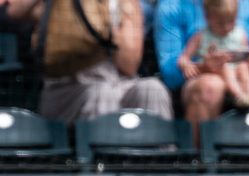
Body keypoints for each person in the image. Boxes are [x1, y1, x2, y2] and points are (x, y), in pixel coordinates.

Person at [154, 0, 249, 143]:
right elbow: (170, 74)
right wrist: (203, 68)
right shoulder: (171, 6)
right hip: (198, 81)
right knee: (210, 86)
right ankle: (197, 155)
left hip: (245, 76)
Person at [35, 0, 173, 124]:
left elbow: (129, 65)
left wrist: (112, 20)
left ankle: (158, 146)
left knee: (153, 90)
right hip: (68, 88)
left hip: (118, 83)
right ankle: (102, 146)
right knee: (102, 93)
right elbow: (20, 11)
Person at [177, 0, 249, 108]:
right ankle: (239, 97)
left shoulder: (240, 34)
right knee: (225, 67)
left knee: (244, 67)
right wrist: (186, 65)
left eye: (231, 21)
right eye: (220, 23)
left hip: (237, 71)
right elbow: (183, 58)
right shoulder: (200, 37)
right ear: (207, 18)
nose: (226, 27)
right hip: (215, 73)